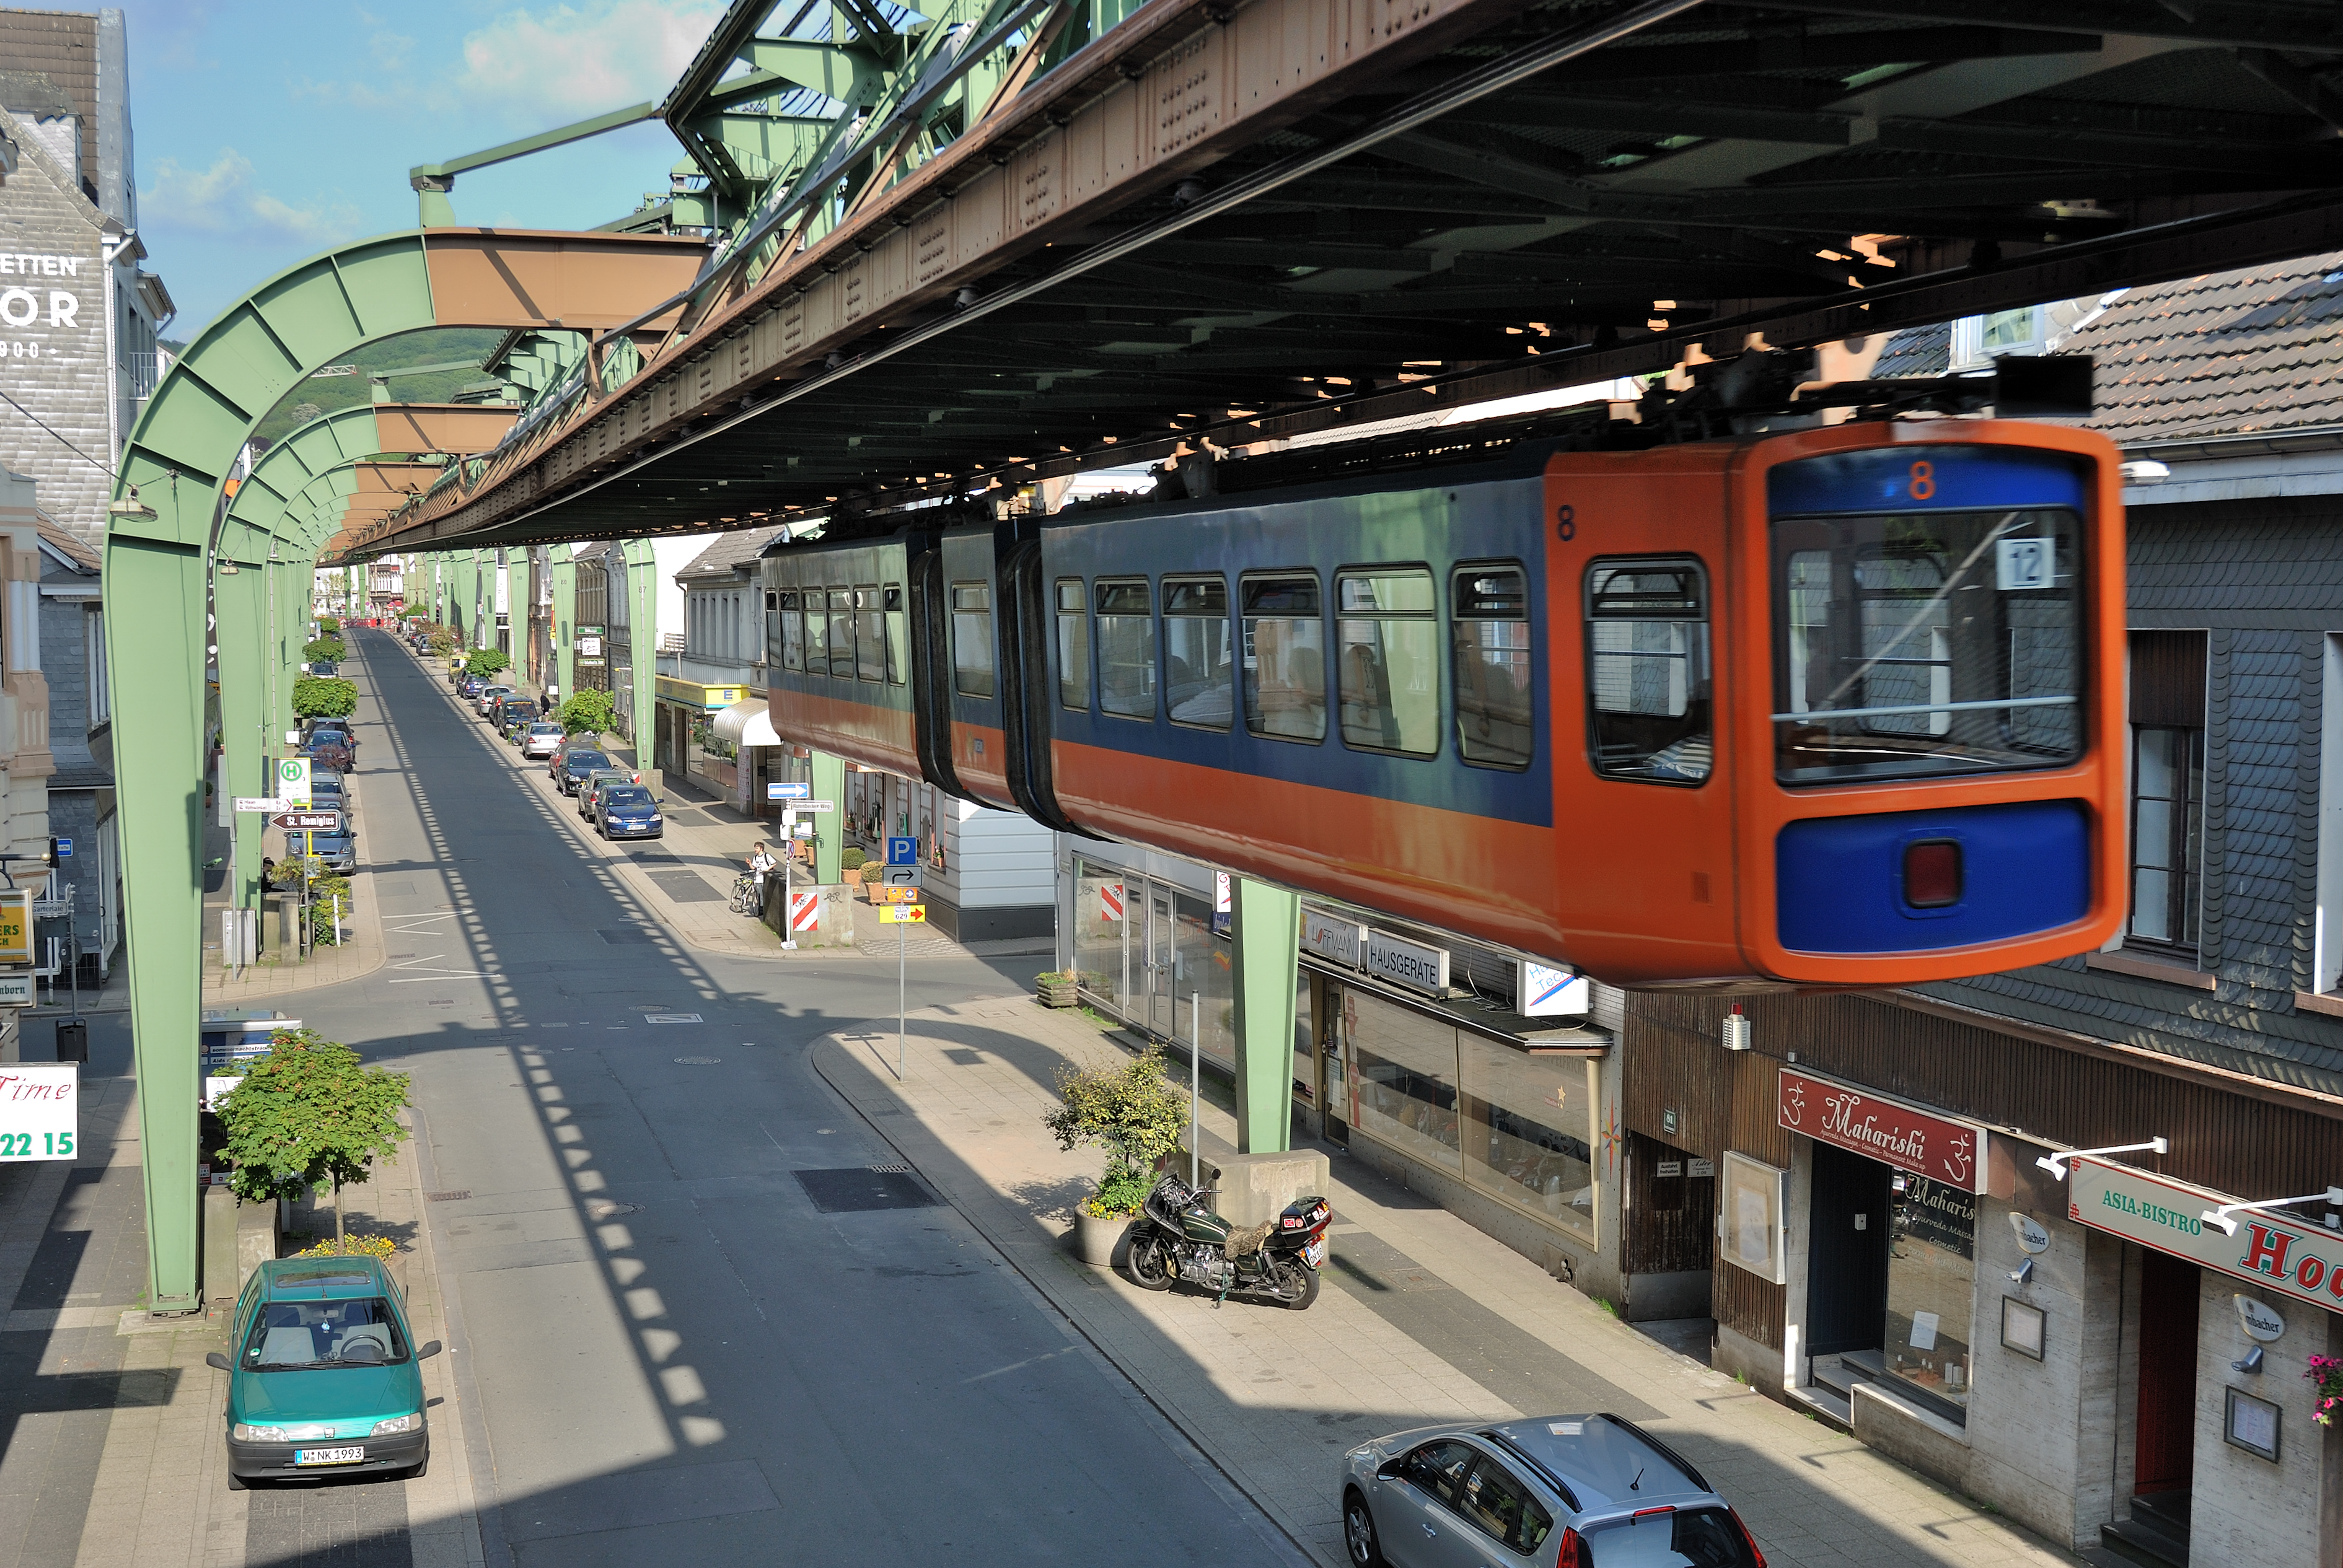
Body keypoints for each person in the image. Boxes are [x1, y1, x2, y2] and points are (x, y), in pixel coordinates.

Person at [747, 841, 778, 909]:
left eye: (757, 848)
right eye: (755, 848)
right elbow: (753, 868)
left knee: (765, 895)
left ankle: (764, 908)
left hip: (765, 879)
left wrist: (767, 869)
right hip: (757, 879)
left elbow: (774, 863)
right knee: (759, 895)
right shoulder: (755, 857)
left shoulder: (766, 856)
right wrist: (750, 863)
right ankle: (761, 908)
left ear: (761, 849)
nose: (755, 850)